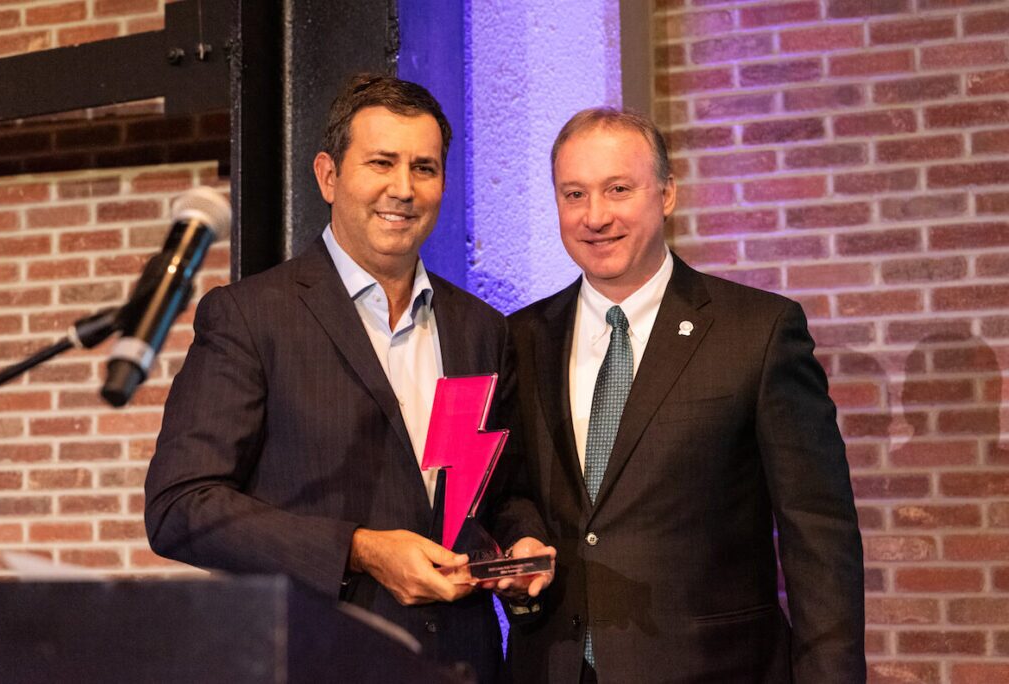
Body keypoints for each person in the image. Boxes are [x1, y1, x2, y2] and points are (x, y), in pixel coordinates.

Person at [144, 74, 550, 682]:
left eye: (424, 168)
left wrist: (520, 547)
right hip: (314, 659)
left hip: (461, 665)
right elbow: (180, 507)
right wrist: (360, 550)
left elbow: (503, 492)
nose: (403, 189)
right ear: (329, 176)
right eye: (381, 163)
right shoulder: (251, 316)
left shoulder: (481, 329)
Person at [503, 107, 865, 683]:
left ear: (667, 194)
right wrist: (519, 534)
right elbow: (511, 489)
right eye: (574, 194)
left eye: (618, 189)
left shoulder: (759, 332)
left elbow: (818, 534)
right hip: (553, 667)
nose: (595, 216)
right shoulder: (520, 338)